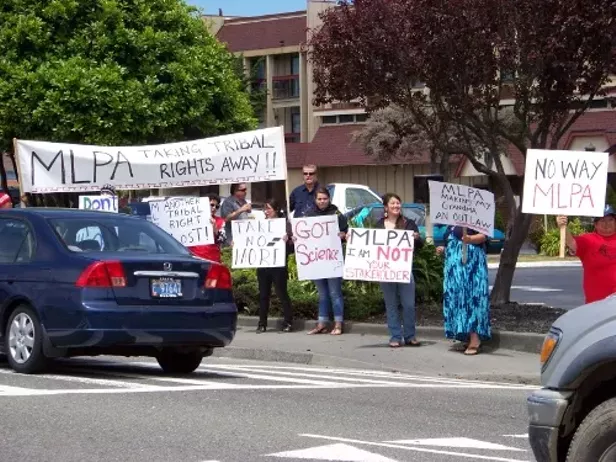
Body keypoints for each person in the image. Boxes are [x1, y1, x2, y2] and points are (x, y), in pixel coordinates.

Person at [375, 193, 423, 347]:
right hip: (386, 271)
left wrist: (417, 238)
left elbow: (420, 245)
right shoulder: (379, 225)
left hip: (404, 270)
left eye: (398, 203)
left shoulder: (409, 224)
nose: (396, 206)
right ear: (386, 207)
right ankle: (395, 336)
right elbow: (370, 245)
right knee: (391, 304)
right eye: (392, 203)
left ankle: (410, 335)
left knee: (408, 304)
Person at [436, 226, 490, 356]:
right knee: (457, 300)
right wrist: (444, 249)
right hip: (454, 268)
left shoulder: (475, 218)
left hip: (471, 265)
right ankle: (465, 335)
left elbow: (484, 236)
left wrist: (470, 239)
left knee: (471, 299)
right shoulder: (452, 221)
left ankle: (475, 339)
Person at [304, 187, 348, 335]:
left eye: (325, 199)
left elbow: (346, 232)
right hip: (316, 260)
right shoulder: (309, 215)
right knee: (322, 293)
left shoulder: (337, 214)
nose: (322, 201)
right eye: (319, 199)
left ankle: (338, 324)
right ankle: (322, 323)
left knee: (335, 292)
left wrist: (343, 234)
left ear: (329, 199)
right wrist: (297, 238)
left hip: (332, 259)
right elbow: (303, 234)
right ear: (315, 200)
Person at [557, 205, 616, 304]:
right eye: (602, 220)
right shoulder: (588, 240)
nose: (607, 223)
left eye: (610, 220)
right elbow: (572, 244)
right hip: (596, 303)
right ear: (595, 224)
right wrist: (563, 227)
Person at [256, 198, 294, 333]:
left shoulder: (284, 225)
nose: (266, 211)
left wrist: (288, 240)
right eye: (264, 209)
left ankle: (288, 322)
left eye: (268, 208)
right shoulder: (260, 225)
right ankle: (262, 323)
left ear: (276, 210)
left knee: (281, 293)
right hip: (263, 264)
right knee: (263, 295)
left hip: (278, 265)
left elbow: (292, 248)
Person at [188, 194, 226, 263]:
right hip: (195, 257)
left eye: (217, 206)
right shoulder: (193, 219)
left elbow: (222, 240)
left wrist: (215, 228)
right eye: (212, 205)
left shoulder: (220, 221)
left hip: (212, 259)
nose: (214, 208)